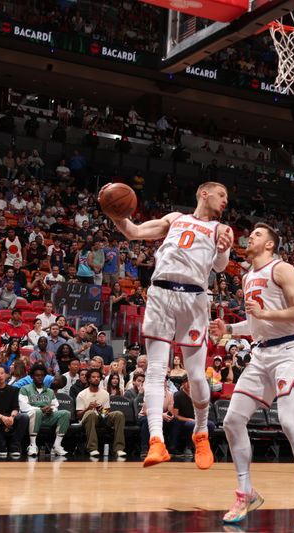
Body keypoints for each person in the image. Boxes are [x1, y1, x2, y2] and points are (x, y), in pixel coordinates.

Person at [104, 181, 233, 469]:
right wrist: (115, 213)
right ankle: (156, 441)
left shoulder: (221, 230)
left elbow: (221, 267)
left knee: (197, 376)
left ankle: (201, 433)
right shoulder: (174, 219)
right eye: (222, 195)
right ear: (203, 193)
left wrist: (223, 250)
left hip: (194, 298)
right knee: (155, 370)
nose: (225, 201)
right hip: (161, 293)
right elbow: (133, 231)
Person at [209, 223, 294, 530]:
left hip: (289, 351)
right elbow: (255, 323)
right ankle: (245, 491)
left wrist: (263, 315)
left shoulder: (282, 269)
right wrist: (230, 330)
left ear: (270, 245)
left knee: (288, 420)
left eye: (258, 234)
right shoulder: (247, 276)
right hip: (261, 354)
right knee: (232, 420)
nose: (251, 237)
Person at [18, 363, 70, 457]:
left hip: (47, 417)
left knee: (65, 413)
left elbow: (55, 406)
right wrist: (40, 409)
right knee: (37, 412)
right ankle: (32, 445)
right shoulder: (25, 389)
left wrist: (51, 410)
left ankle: (57, 445)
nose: (40, 377)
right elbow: (23, 407)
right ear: (32, 376)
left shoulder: (50, 391)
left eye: (42, 375)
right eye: (37, 375)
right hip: (31, 417)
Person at [76, 368, 127, 458]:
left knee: (119, 414)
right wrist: (88, 408)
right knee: (91, 413)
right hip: (88, 420)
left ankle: (119, 449)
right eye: (93, 377)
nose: (96, 379)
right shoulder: (82, 394)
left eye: (98, 377)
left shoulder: (105, 393)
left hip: (101, 418)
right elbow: (79, 416)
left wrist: (100, 410)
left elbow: (105, 414)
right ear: (88, 379)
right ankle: (92, 448)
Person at [0, 365, 29, 458]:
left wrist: (12, 417)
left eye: (2, 373)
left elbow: (16, 407)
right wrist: (2, 417)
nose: (0, 376)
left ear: (6, 375)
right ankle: (2, 445)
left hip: (10, 416)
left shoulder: (14, 390)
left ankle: (14, 445)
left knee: (24, 417)